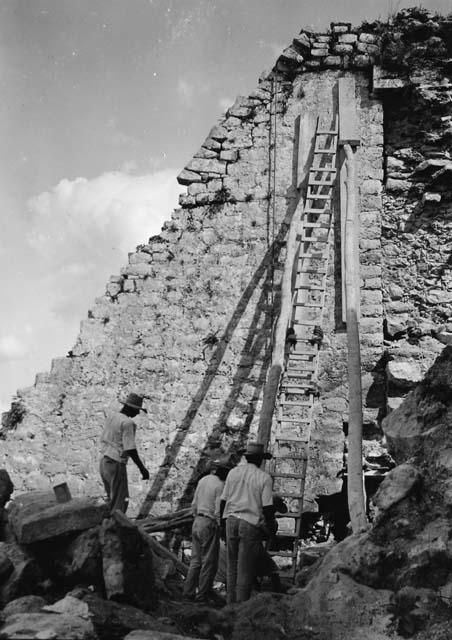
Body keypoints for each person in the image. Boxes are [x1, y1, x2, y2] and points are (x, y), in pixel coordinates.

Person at [219, 441, 275, 604]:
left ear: (248, 458)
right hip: (249, 523)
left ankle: (230, 604)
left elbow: (223, 500)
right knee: (245, 569)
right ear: (260, 460)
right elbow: (268, 508)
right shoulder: (264, 478)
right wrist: (271, 529)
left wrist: (222, 523)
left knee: (232, 566)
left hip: (231, 520)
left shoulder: (233, 473)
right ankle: (240, 606)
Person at [183, 454, 233, 604]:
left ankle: (188, 592)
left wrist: (196, 516)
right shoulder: (220, 486)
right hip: (209, 523)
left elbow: (194, 503)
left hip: (197, 520)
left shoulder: (203, 480)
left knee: (195, 561)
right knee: (209, 562)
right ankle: (202, 595)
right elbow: (218, 511)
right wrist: (221, 526)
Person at [99, 392, 149, 514]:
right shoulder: (128, 423)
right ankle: (114, 528)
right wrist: (142, 468)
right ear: (130, 408)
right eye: (136, 410)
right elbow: (130, 448)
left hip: (104, 461)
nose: (137, 413)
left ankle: (108, 526)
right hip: (116, 462)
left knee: (112, 499)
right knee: (120, 501)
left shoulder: (112, 417)